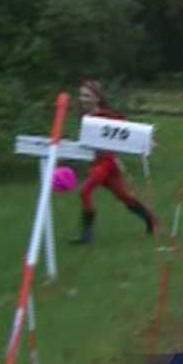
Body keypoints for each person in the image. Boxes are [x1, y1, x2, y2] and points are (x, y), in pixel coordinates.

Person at [72, 79, 156, 244]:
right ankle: (150, 219)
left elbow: (129, 129)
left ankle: (86, 235)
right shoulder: (84, 116)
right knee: (124, 196)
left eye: (87, 96)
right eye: (81, 95)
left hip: (106, 163)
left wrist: (147, 140)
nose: (83, 99)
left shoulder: (106, 115)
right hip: (95, 163)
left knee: (85, 191)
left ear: (97, 98)